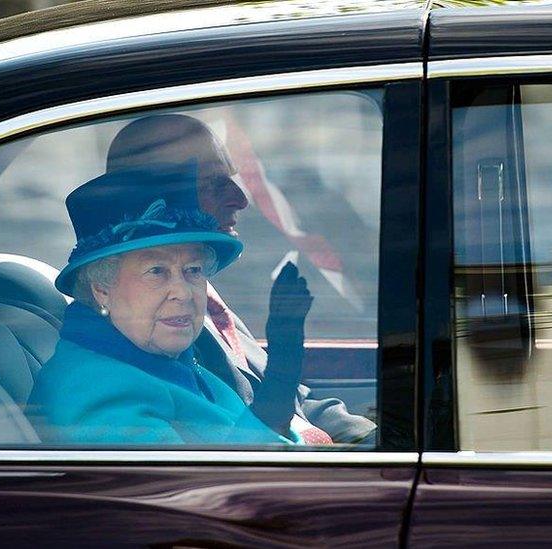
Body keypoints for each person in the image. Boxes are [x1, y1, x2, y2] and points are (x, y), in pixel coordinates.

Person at [106, 114, 376, 445]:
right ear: (159, 195)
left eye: (191, 269)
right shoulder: (158, 328)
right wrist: (282, 367)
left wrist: (374, 439)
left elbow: (295, 405)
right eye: (214, 184)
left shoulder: (199, 294)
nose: (240, 198)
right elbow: (235, 455)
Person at [27, 165, 305, 445]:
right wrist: (277, 388)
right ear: (102, 289)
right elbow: (205, 486)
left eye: (193, 270)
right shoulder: (96, 391)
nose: (183, 293)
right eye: (157, 271)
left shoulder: (169, 361)